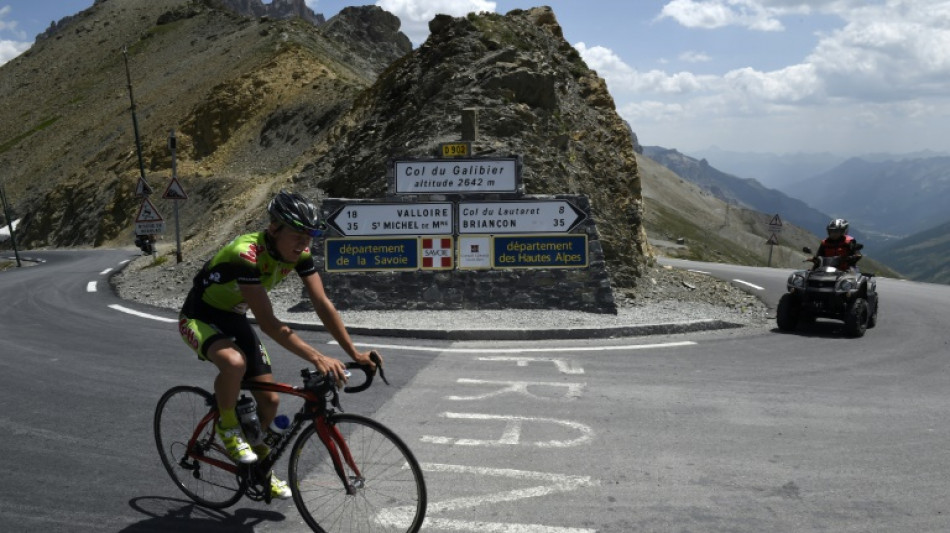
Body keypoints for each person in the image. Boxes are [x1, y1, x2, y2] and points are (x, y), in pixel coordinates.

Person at [177, 190, 379, 500]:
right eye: (298, 235)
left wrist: (354, 353)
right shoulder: (245, 255)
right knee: (233, 363)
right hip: (200, 316)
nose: (304, 244)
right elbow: (270, 324)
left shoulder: (300, 255)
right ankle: (227, 428)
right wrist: (316, 356)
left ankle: (260, 469)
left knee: (270, 404)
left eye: (309, 237)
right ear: (274, 229)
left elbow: (323, 304)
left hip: (234, 318)